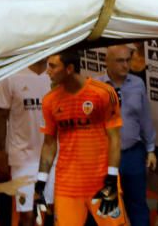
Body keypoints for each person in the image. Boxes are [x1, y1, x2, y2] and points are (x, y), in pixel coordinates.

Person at [35, 48, 125, 226]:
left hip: (101, 182)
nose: (48, 71)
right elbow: (49, 144)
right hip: (67, 186)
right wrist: (40, 184)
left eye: (53, 66)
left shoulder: (104, 93)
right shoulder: (49, 101)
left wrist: (112, 178)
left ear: (69, 69)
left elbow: (114, 138)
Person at [96, 45, 157, 226]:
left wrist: (151, 149)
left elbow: (145, 118)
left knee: (137, 203)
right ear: (107, 62)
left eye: (128, 60)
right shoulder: (95, 86)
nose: (125, 65)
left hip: (133, 153)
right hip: (104, 157)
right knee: (105, 206)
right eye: (120, 61)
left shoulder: (138, 84)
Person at [0, 60, 52, 226]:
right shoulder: (12, 75)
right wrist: (1, 152)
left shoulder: (55, 74)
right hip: (22, 157)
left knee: (47, 211)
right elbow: (0, 116)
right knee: (26, 214)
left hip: (51, 156)